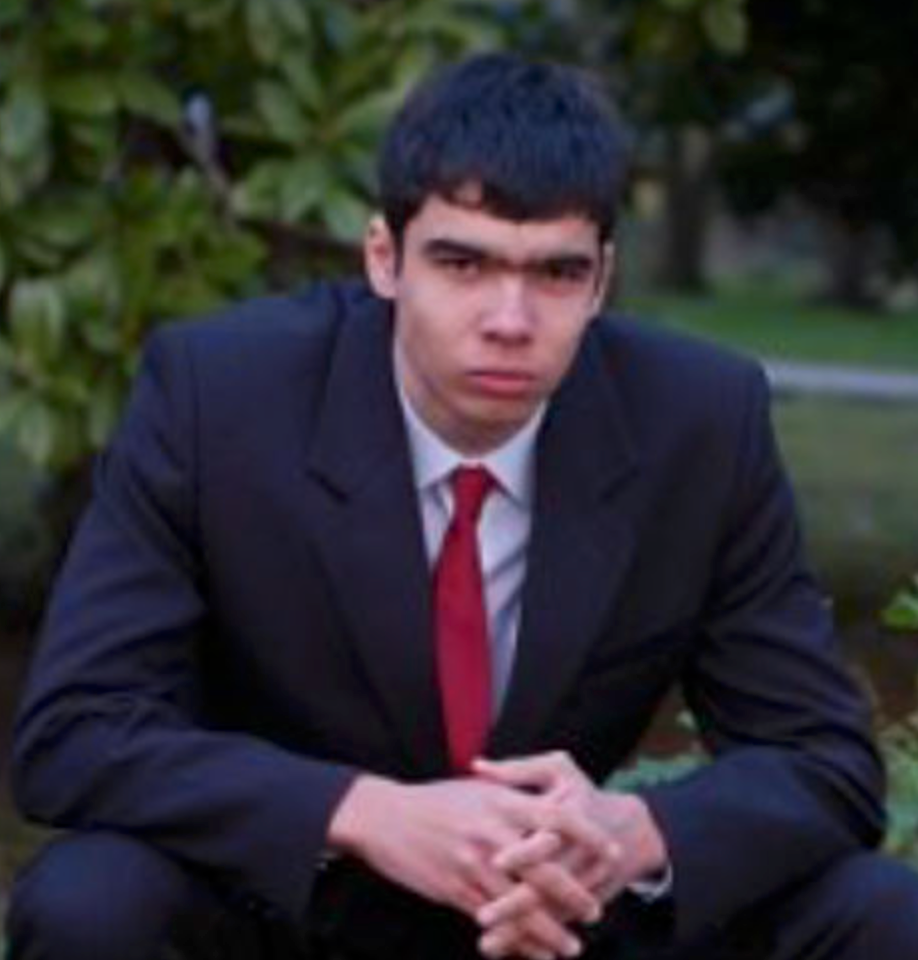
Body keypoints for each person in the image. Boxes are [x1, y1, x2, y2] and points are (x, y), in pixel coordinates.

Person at [6, 53, 918, 960]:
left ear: (601, 280)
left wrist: (627, 833)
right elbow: (76, 730)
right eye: (463, 263)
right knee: (93, 901)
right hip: (299, 908)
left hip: (566, 915)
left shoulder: (698, 422)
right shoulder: (220, 399)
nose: (509, 319)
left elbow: (825, 762)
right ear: (384, 258)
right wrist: (365, 812)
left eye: (555, 273)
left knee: (877, 913)